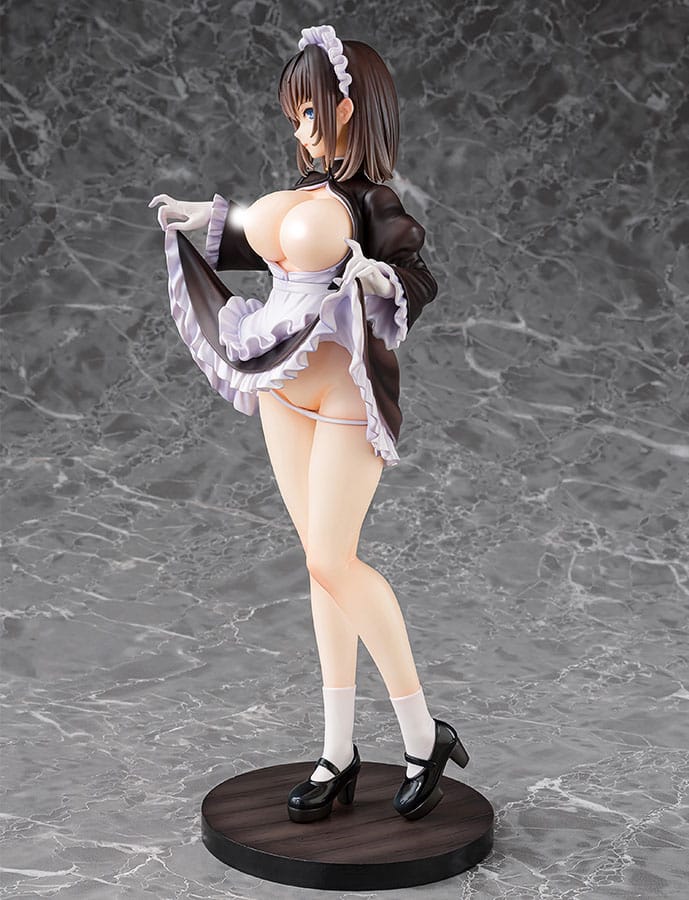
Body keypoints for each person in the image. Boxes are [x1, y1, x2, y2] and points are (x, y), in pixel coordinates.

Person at [150, 24, 469, 824]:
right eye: (293, 115)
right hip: (282, 385)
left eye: (308, 112)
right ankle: (336, 750)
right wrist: (203, 220)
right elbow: (270, 251)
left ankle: (422, 734)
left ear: (348, 110)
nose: (299, 130)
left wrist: (379, 278)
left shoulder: (372, 203)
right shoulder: (306, 191)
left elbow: (417, 277)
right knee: (320, 566)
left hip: (346, 393)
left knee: (334, 559)